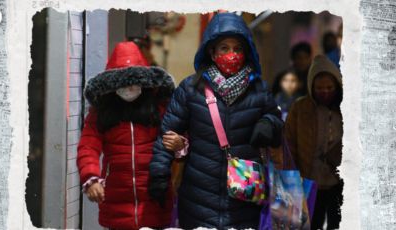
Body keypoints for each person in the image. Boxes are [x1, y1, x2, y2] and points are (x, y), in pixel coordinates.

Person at [148, 13, 283, 229]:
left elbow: (277, 122)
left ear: (246, 52)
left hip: (244, 200)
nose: (232, 55)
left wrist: (269, 123)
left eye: (237, 49)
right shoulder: (190, 89)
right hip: (198, 200)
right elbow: (168, 133)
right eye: (224, 48)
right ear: (212, 52)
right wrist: (159, 174)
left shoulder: (259, 90)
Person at [77, 41, 186, 229]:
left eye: (134, 82)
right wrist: (91, 177)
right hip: (115, 199)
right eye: (123, 83)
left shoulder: (160, 109)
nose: (129, 89)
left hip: (155, 198)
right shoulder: (101, 114)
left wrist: (180, 145)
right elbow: (88, 146)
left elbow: (182, 136)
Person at [285, 55, 343, 230]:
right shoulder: (300, 108)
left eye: (329, 87)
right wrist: (290, 177)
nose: (325, 92)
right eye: (319, 88)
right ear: (311, 87)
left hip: (339, 182)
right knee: (311, 224)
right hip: (308, 182)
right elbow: (289, 144)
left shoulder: (348, 107)